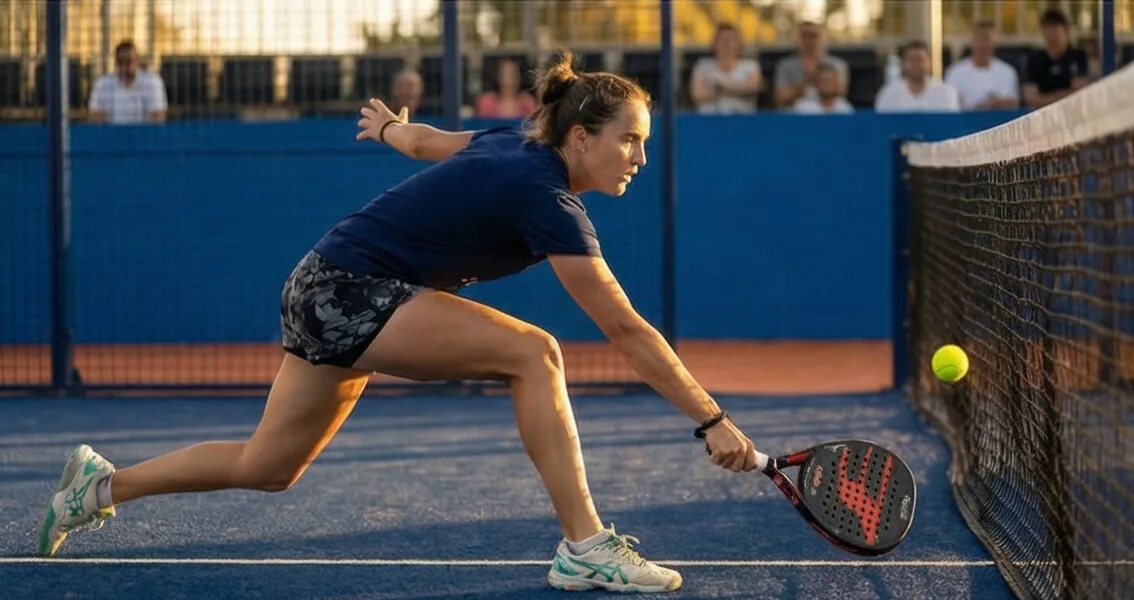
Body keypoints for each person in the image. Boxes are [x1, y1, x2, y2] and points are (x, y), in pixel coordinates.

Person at [38, 51, 760, 594]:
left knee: (268, 467)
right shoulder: (545, 196)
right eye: (629, 140)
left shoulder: (513, 145)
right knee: (536, 353)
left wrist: (389, 129)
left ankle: (97, 488)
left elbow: (427, 143)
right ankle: (585, 547)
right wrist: (711, 418)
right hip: (350, 289)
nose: (640, 157)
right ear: (579, 136)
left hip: (321, 283)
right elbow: (626, 330)